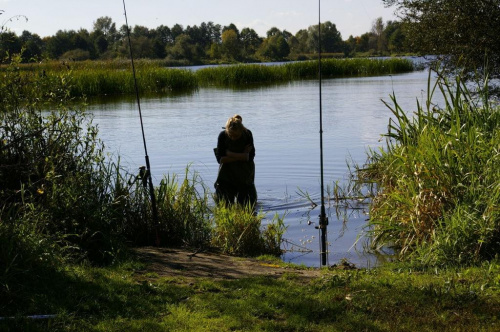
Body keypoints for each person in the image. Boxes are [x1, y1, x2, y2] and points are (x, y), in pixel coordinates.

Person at [214, 114, 257, 207]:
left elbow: (250, 157)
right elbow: (220, 159)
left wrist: (229, 154)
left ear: (242, 131)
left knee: (247, 204)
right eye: (231, 136)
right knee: (224, 204)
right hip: (226, 174)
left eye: (236, 136)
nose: (233, 138)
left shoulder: (247, 134)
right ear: (227, 131)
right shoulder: (222, 136)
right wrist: (242, 155)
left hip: (245, 173)